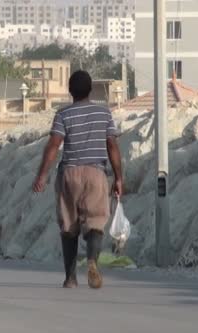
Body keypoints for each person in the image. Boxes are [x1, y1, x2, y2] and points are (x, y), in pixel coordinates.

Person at [32, 70, 123, 289]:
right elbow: (112, 146)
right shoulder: (104, 114)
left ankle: (70, 278)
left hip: (70, 174)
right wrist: (119, 177)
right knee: (96, 222)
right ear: (91, 90)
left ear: (70, 91)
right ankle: (92, 259)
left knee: (68, 225)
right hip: (96, 173)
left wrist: (42, 175)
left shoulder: (64, 115)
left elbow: (53, 145)